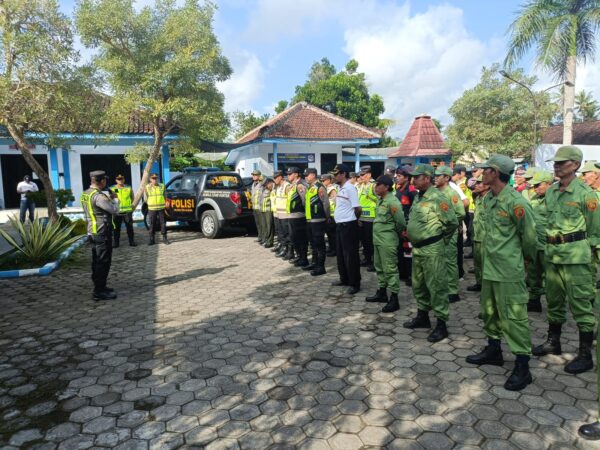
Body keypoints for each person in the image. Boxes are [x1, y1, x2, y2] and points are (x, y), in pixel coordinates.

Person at [465, 154, 537, 391]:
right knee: (489, 311)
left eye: (486, 170)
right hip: (489, 268)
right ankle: (493, 349)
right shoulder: (490, 200)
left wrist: (524, 262)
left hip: (508, 270)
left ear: (495, 173)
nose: (481, 173)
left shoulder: (516, 203)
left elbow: (529, 239)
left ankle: (523, 365)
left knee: (514, 317)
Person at [533, 146, 599, 375]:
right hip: (553, 254)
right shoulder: (551, 192)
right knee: (554, 300)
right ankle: (554, 341)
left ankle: (584, 355)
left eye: (562, 163)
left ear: (575, 165)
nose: (556, 166)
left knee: (581, 304)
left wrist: (587, 253)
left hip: (576, 258)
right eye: (556, 163)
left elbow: (595, 230)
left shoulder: (585, 194)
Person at [403, 164, 458, 343]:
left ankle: (441, 324)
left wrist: (441, 241)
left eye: (416, 177)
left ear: (427, 178)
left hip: (432, 249)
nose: (413, 180)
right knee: (419, 284)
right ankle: (423, 317)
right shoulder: (419, 197)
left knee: (437, 286)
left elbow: (451, 223)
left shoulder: (438, 198)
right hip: (418, 248)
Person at [366, 175, 406, 313]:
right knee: (380, 267)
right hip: (378, 240)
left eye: (378, 185)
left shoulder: (392, 201)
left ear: (387, 187)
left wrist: (395, 234)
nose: (375, 187)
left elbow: (400, 222)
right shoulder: (381, 200)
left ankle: (394, 298)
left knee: (390, 268)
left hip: (388, 241)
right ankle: (382, 292)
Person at [81, 170, 119, 301]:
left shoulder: (86, 193)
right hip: (102, 231)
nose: (106, 182)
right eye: (105, 180)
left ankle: (100, 285)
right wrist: (114, 199)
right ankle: (99, 290)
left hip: (92, 230)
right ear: (101, 181)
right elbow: (114, 210)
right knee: (103, 261)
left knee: (97, 260)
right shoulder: (99, 196)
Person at [435, 165, 465, 303]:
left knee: (450, 261)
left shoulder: (452, 193)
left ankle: (453, 291)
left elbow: (460, 213)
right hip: (437, 232)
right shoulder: (435, 192)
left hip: (449, 232)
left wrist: (449, 225)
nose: (435, 178)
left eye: (438, 176)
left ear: (446, 177)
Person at [331, 164, 361, 294]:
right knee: (341, 255)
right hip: (340, 226)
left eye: (337, 174)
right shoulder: (341, 188)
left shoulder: (350, 188)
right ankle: (344, 278)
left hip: (348, 225)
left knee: (350, 256)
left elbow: (358, 208)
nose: (334, 176)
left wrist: (352, 220)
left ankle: (355, 283)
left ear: (343, 174)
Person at [525, 171, 553, 312]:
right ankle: (534, 301)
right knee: (533, 274)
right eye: (533, 186)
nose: (535, 188)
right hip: (535, 244)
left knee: (550, 278)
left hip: (549, 245)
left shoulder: (555, 198)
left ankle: (554, 307)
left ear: (549, 184)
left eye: (538, 185)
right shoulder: (535, 198)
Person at [304, 168, 329, 276]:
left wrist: (327, 217)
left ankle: (321, 266)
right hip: (310, 220)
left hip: (318, 220)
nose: (305, 177)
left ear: (313, 175)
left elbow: (326, 204)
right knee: (313, 244)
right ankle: (314, 263)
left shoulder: (320, 187)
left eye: (307, 175)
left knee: (319, 245)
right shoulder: (310, 188)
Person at [466, 175, 490, 292]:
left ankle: (486, 286)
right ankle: (479, 283)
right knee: (477, 263)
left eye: (480, 183)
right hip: (477, 236)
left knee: (486, 265)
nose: (477, 185)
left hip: (486, 238)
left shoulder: (491, 200)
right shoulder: (479, 198)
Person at [394, 166, 416, 286]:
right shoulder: (399, 189)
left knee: (409, 252)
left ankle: (411, 275)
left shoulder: (411, 191)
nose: (397, 178)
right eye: (396, 176)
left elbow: (414, 209)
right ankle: (402, 273)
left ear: (407, 177)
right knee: (400, 250)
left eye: (399, 176)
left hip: (408, 226)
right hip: (399, 225)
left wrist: (409, 227)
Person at [286, 167, 309, 267]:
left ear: (296, 174)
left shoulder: (300, 185)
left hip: (299, 216)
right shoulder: (293, 185)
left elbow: (305, 201)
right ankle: (299, 256)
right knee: (294, 238)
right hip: (292, 216)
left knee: (301, 238)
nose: (288, 175)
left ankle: (304, 258)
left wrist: (304, 214)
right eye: (288, 174)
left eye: (290, 174)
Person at [357, 165, 377, 272]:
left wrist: (371, 197)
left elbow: (380, 200)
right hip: (362, 218)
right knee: (364, 241)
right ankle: (367, 259)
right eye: (360, 175)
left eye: (363, 175)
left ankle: (374, 262)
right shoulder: (361, 186)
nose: (361, 177)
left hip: (371, 218)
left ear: (369, 174)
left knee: (371, 242)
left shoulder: (373, 186)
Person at [111, 175, 137, 248]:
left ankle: (132, 242)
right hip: (117, 212)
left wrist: (129, 205)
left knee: (129, 227)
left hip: (127, 211)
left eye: (121, 179)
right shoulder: (112, 188)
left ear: (124, 179)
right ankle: (116, 243)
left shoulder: (128, 188)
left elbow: (132, 198)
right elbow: (110, 199)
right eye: (118, 179)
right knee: (116, 228)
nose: (120, 180)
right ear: (116, 180)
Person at [144, 173, 169, 245]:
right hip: (152, 208)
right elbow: (145, 199)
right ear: (150, 179)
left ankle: (165, 238)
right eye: (153, 178)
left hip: (161, 208)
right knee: (152, 224)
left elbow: (165, 196)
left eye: (156, 178)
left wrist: (165, 202)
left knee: (163, 223)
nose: (154, 180)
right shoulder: (147, 187)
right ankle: (152, 239)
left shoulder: (162, 186)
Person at [274, 170, 293, 259]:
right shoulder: (278, 187)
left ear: (281, 177)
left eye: (276, 177)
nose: (274, 179)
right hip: (279, 215)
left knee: (287, 234)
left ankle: (290, 252)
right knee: (281, 234)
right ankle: (284, 249)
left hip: (285, 215)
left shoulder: (287, 186)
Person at [321, 173, 338, 256]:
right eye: (322, 180)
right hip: (328, 214)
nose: (323, 182)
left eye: (324, 180)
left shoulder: (332, 189)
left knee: (332, 234)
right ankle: (331, 248)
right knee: (329, 234)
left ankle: (334, 250)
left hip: (332, 215)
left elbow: (335, 202)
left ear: (329, 180)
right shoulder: (325, 188)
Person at [260, 178, 275, 248]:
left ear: (270, 183)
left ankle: (270, 241)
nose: (266, 186)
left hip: (268, 210)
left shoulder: (273, 189)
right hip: (263, 209)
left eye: (266, 184)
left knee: (269, 226)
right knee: (265, 226)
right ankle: (266, 240)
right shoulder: (264, 189)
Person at [250, 170, 264, 244]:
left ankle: (263, 238)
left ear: (259, 176)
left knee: (262, 224)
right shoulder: (253, 184)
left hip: (260, 207)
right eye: (253, 175)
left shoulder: (261, 183)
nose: (253, 176)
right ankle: (260, 237)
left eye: (255, 175)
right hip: (255, 207)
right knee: (258, 223)